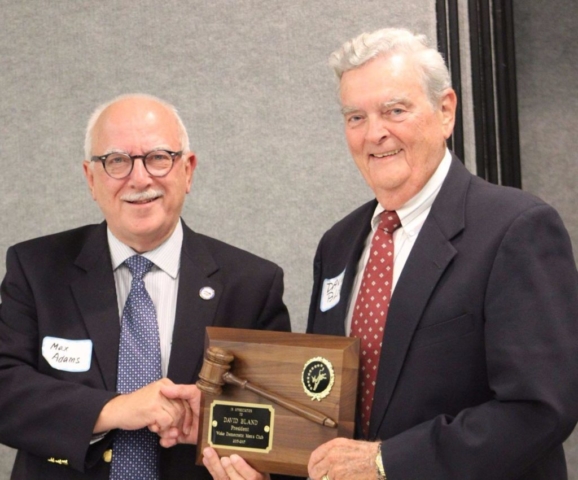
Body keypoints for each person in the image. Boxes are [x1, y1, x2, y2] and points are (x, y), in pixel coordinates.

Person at [206, 27, 578, 480]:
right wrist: (271, 462)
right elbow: (326, 398)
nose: (374, 134)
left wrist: (387, 462)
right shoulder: (338, 245)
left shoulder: (515, 228)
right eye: (355, 118)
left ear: (446, 111)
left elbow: (540, 409)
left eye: (394, 111)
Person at [0, 93, 291, 479]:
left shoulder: (252, 285)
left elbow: (279, 422)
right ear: (90, 178)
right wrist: (116, 409)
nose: (139, 178)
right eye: (116, 161)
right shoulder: (37, 268)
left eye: (158, 157)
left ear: (187, 170)